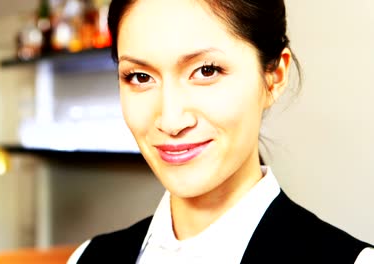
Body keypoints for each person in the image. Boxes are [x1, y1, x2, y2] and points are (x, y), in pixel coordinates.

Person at [68, 0, 374, 263]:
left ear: (274, 77)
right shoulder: (88, 257)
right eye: (140, 76)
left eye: (206, 71)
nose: (171, 121)